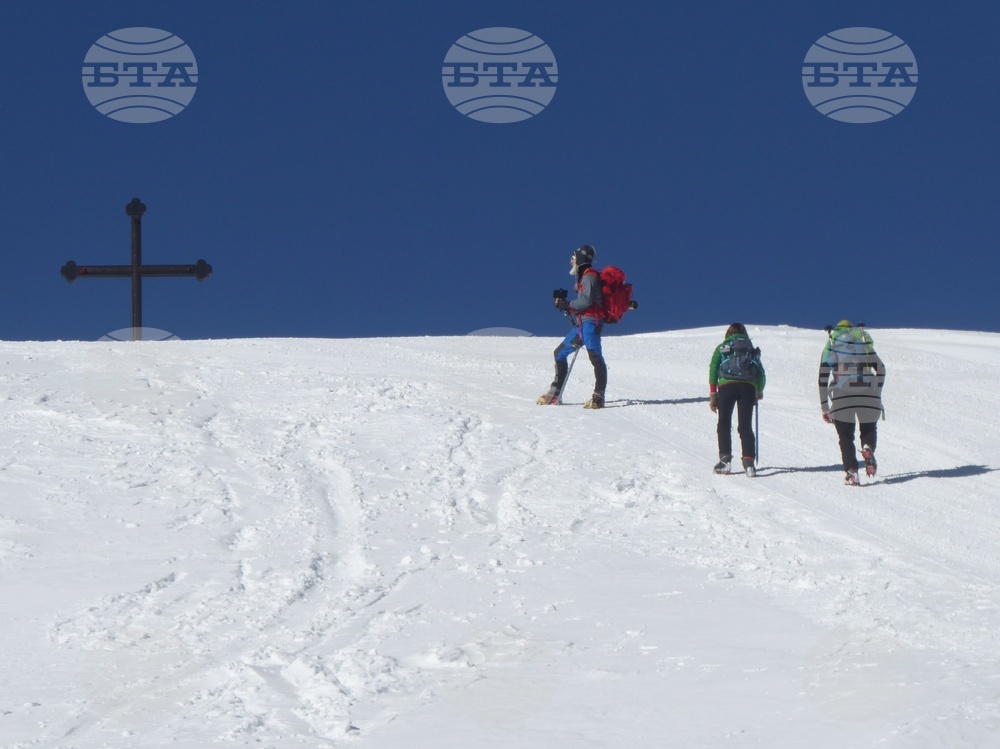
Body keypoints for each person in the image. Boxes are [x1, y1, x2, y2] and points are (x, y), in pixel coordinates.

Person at [537, 245, 608, 409]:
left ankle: (599, 397)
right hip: (582, 324)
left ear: (581, 259)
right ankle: (555, 393)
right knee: (559, 353)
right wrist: (567, 306)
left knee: (595, 357)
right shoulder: (583, 277)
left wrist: (567, 304)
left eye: (574, 257)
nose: (571, 261)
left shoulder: (589, 277)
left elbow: (586, 301)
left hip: (591, 323)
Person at [818, 320, 886, 486]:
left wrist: (825, 406)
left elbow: (823, 379)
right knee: (869, 427)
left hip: (842, 396)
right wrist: (876, 390)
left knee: (845, 436)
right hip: (868, 392)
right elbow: (881, 369)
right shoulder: (861, 344)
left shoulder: (832, 346)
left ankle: (851, 472)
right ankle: (868, 446)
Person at [708, 323, 765, 476]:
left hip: (727, 387)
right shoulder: (750, 348)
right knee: (745, 426)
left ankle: (725, 461)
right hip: (748, 388)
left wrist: (713, 394)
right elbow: (760, 372)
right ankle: (749, 464)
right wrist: (758, 390)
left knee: (724, 423)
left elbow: (713, 368)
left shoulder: (723, 346)